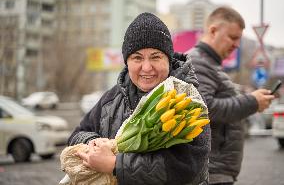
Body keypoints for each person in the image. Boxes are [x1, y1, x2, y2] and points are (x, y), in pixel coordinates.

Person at [68, 12, 211, 185]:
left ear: (168, 58)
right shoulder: (111, 99)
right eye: (137, 57)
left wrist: (115, 165)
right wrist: (95, 143)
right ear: (127, 62)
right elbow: (77, 134)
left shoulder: (188, 100)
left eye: (155, 57)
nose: (146, 67)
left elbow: (189, 168)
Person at [186, 7, 275, 185]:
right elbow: (205, 109)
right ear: (213, 31)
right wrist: (252, 102)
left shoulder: (209, 64)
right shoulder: (198, 62)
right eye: (233, 37)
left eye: (239, 39)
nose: (236, 45)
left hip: (215, 170)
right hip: (210, 171)